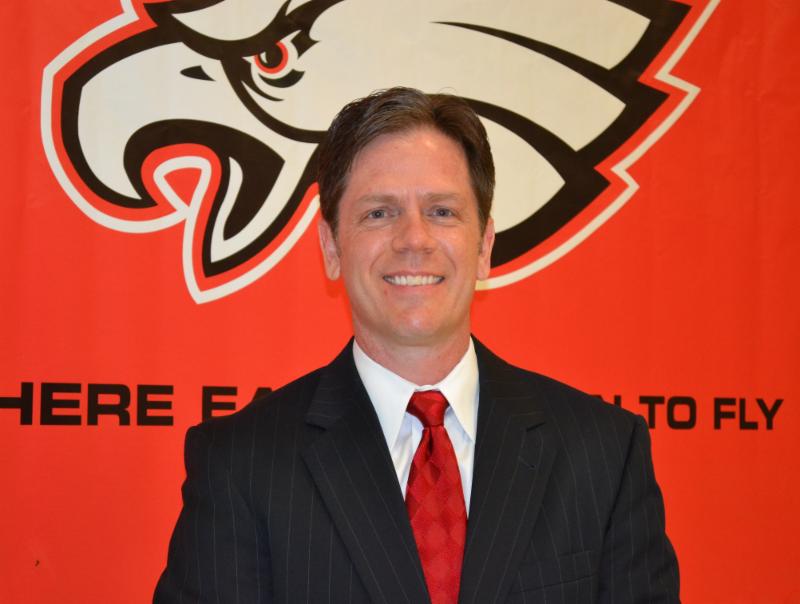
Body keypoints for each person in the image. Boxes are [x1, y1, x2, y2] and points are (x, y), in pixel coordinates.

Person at [154, 87, 679, 603]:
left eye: (442, 211)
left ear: (484, 247)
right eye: (379, 212)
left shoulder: (603, 455)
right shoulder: (241, 464)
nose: (414, 239)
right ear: (332, 247)